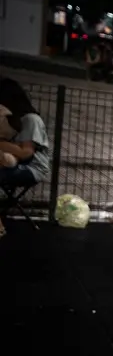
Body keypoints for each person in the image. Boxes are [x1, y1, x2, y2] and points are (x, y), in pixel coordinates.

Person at [0, 78, 51, 237]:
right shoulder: (10, 120)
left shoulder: (31, 119)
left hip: (32, 168)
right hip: (11, 162)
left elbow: (26, 152)